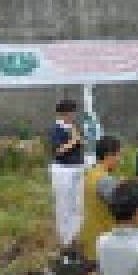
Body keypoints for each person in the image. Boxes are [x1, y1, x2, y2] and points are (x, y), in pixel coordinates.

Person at [83, 135, 123, 275]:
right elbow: (120, 204)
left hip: (96, 238)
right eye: (118, 155)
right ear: (109, 155)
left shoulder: (91, 175)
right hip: (107, 239)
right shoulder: (104, 180)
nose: (119, 159)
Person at [48, 99, 86, 252]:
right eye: (70, 112)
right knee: (64, 203)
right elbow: (58, 151)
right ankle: (65, 238)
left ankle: (77, 234)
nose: (72, 115)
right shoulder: (56, 129)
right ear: (63, 114)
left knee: (77, 203)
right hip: (63, 170)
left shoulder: (73, 127)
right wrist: (74, 140)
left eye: (73, 112)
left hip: (77, 167)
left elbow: (79, 143)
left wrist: (79, 140)